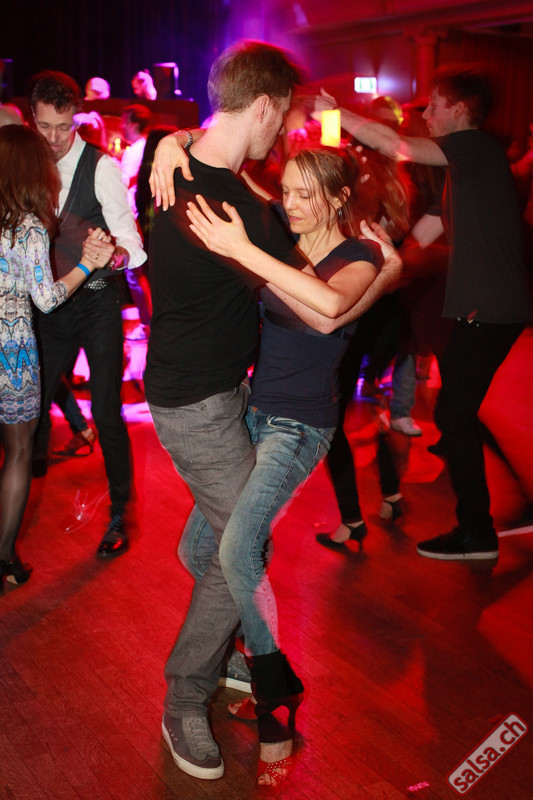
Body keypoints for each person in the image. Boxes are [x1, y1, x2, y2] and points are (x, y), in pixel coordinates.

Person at [146, 41, 401, 786]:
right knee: (239, 555)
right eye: (284, 114)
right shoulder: (236, 211)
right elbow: (324, 314)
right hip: (198, 404)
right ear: (263, 106)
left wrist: (170, 139)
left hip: (226, 396)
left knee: (208, 552)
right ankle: (185, 697)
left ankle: (225, 647)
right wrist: (387, 274)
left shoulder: (182, 170)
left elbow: (318, 303)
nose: (284, 128)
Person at [315, 64, 532, 560]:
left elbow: (399, 146)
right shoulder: (467, 168)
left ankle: (476, 534)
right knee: (460, 410)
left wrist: (337, 113)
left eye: (434, 104)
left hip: (489, 308)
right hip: (488, 308)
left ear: (460, 109)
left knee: (454, 414)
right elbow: (426, 233)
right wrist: (386, 261)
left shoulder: (473, 146)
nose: (427, 113)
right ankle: (513, 506)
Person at [30, 71, 146, 557]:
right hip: (52, 304)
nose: (54, 137)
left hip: (97, 302)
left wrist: (113, 253)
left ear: (76, 119)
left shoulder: (100, 167)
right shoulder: (29, 163)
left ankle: (120, 512)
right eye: (44, 126)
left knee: (105, 410)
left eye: (63, 126)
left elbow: (132, 242)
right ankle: (18, 503)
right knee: (31, 405)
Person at [0, 124, 110, 588]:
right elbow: (45, 299)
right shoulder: (27, 226)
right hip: (13, 352)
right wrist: (88, 263)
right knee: (18, 453)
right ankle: (4, 560)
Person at [120, 104, 153, 340]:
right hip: (146, 219)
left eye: (124, 122)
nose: (122, 127)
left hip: (134, 219)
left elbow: (126, 184)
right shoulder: (148, 147)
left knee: (135, 273)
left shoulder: (134, 151)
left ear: (133, 124)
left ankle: (148, 324)